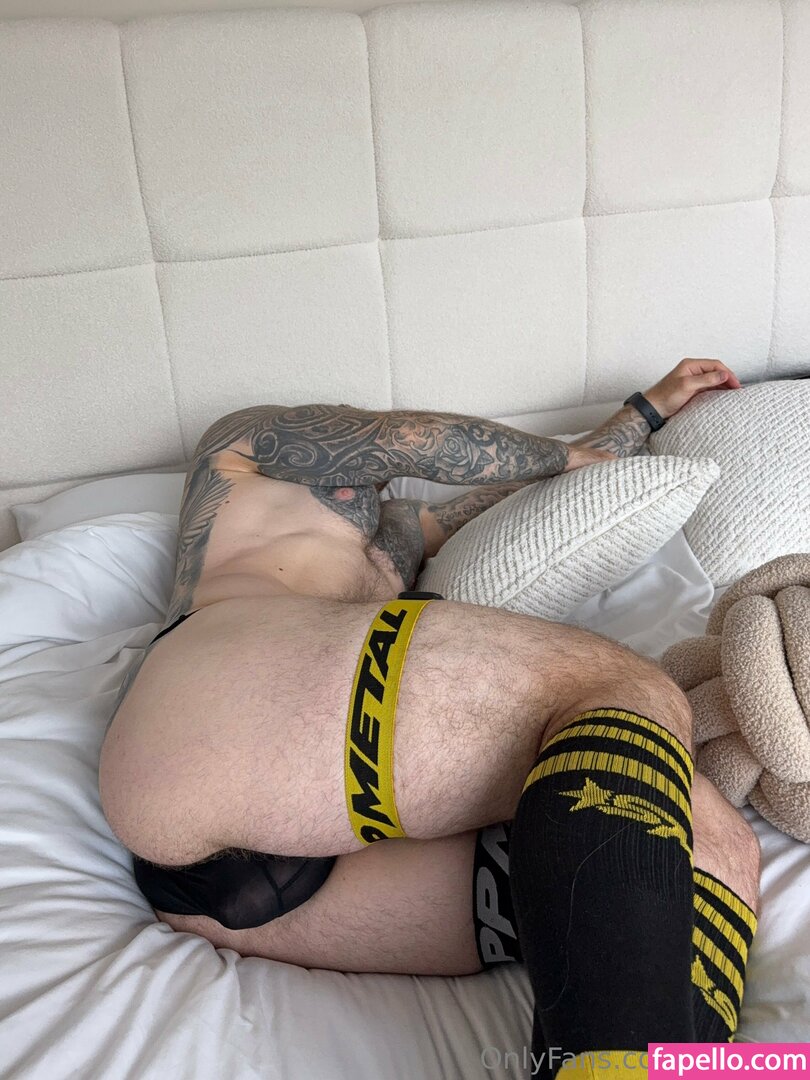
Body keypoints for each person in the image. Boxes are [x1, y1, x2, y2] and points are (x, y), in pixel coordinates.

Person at [99, 358, 759, 1073]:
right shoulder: (248, 444)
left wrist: (646, 411)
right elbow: (407, 439)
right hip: (223, 695)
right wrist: (569, 453)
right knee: (624, 690)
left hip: (264, 871)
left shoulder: (394, 534)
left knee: (709, 848)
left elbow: (525, 486)